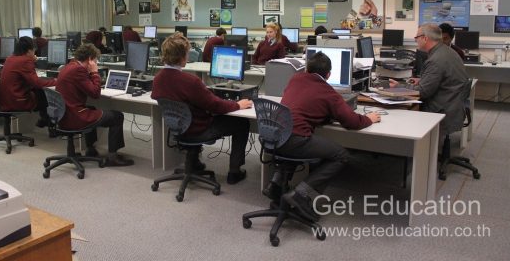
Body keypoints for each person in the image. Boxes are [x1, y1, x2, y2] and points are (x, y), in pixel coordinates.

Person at [273, 51, 381, 219]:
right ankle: (300, 194)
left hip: (274, 135)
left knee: (300, 147)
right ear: (328, 75)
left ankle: (275, 184)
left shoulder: (295, 79)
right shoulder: (328, 92)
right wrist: (369, 118)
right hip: (296, 139)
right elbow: (352, 122)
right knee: (342, 155)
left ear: (307, 69)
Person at [151, 33, 251, 184]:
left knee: (197, 113)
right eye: (187, 53)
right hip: (198, 129)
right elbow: (215, 106)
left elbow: (159, 96)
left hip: (177, 127)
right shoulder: (190, 81)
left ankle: (194, 163)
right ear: (182, 57)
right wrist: (238, 105)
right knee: (242, 123)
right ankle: (234, 172)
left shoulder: (158, 78)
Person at [55, 43, 133, 167]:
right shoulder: (78, 70)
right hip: (73, 117)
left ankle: (90, 149)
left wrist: (91, 76)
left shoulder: (69, 66)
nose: (96, 63)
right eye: (96, 60)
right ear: (90, 59)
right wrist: (95, 72)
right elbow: (95, 94)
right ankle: (113, 157)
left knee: (91, 108)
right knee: (117, 116)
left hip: (63, 115)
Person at [389, 23, 468, 141]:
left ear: (425, 38)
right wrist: (423, 79)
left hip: (440, 110)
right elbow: (444, 77)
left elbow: (423, 92)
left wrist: (399, 86)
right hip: (452, 106)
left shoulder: (436, 59)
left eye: (417, 37)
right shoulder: (446, 51)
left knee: (397, 112)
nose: (415, 40)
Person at [0, 37, 56, 127]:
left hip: (4, 101)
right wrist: (55, 81)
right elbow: (37, 83)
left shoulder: (10, 58)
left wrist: (31, 60)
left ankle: (45, 121)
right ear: (29, 51)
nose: (34, 53)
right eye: (34, 50)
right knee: (44, 93)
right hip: (16, 101)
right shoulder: (25, 61)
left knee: (38, 91)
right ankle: (50, 124)